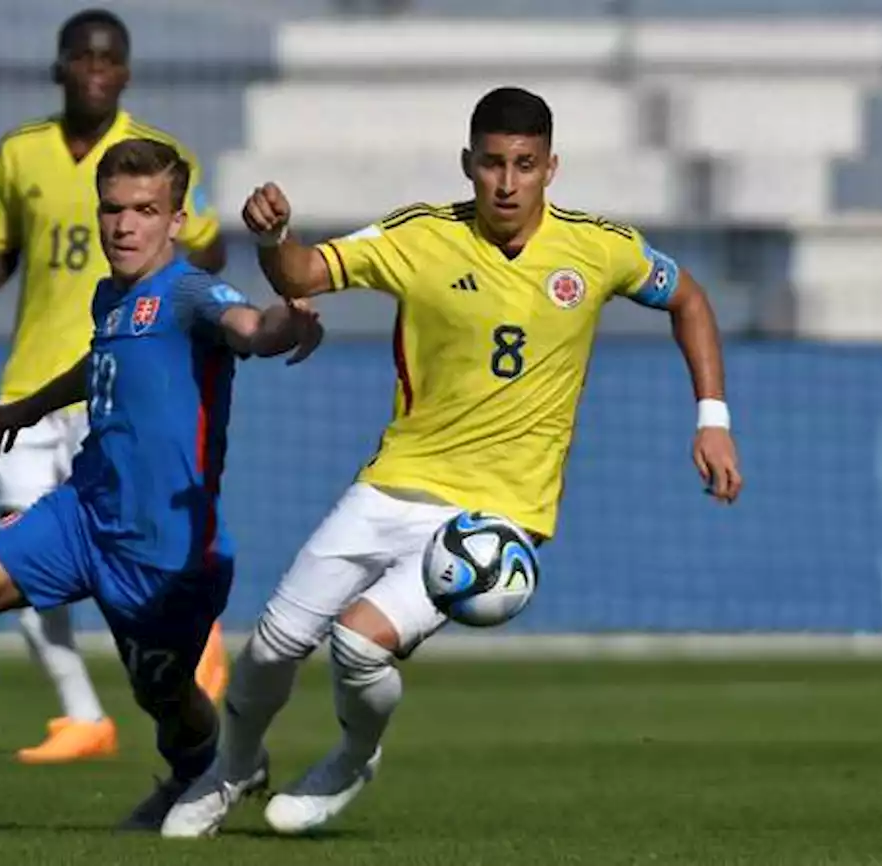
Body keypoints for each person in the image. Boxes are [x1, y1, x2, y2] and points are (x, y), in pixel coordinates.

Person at [161, 86, 743, 838]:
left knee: (358, 643)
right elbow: (303, 276)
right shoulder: (421, 236)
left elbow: (689, 299)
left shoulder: (600, 249)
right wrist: (275, 240)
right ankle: (232, 767)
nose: (507, 183)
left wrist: (713, 420)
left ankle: (351, 756)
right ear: (468, 164)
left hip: (498, 513)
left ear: (550, 167)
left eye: (525, 165)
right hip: (396, 481)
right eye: (493, 164)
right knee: (273, 645)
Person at [0, 138, 324, 831]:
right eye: (112, 209)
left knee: (166, 700)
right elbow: (104, 360)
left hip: (163, 551)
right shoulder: (112, 293)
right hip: (82, 514)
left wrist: (292, 311)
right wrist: (27, 408)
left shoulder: (193, 292)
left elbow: (253, 328)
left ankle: (214, 767)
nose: (124, 225)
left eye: (144, 210)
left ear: (175, 219)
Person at [0, 8, 229, 764]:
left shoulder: (155, 156)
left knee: (125, 566)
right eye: (81, 57)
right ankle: (81, 714)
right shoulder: (21, 154)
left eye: (109, 58)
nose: (95, 69)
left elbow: (212, 258)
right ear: (59, 67)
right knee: (20, 540)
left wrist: (196, 255)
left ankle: (186, 660)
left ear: (125, 71)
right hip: (36, 379)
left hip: (118, 394)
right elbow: (3, 253)